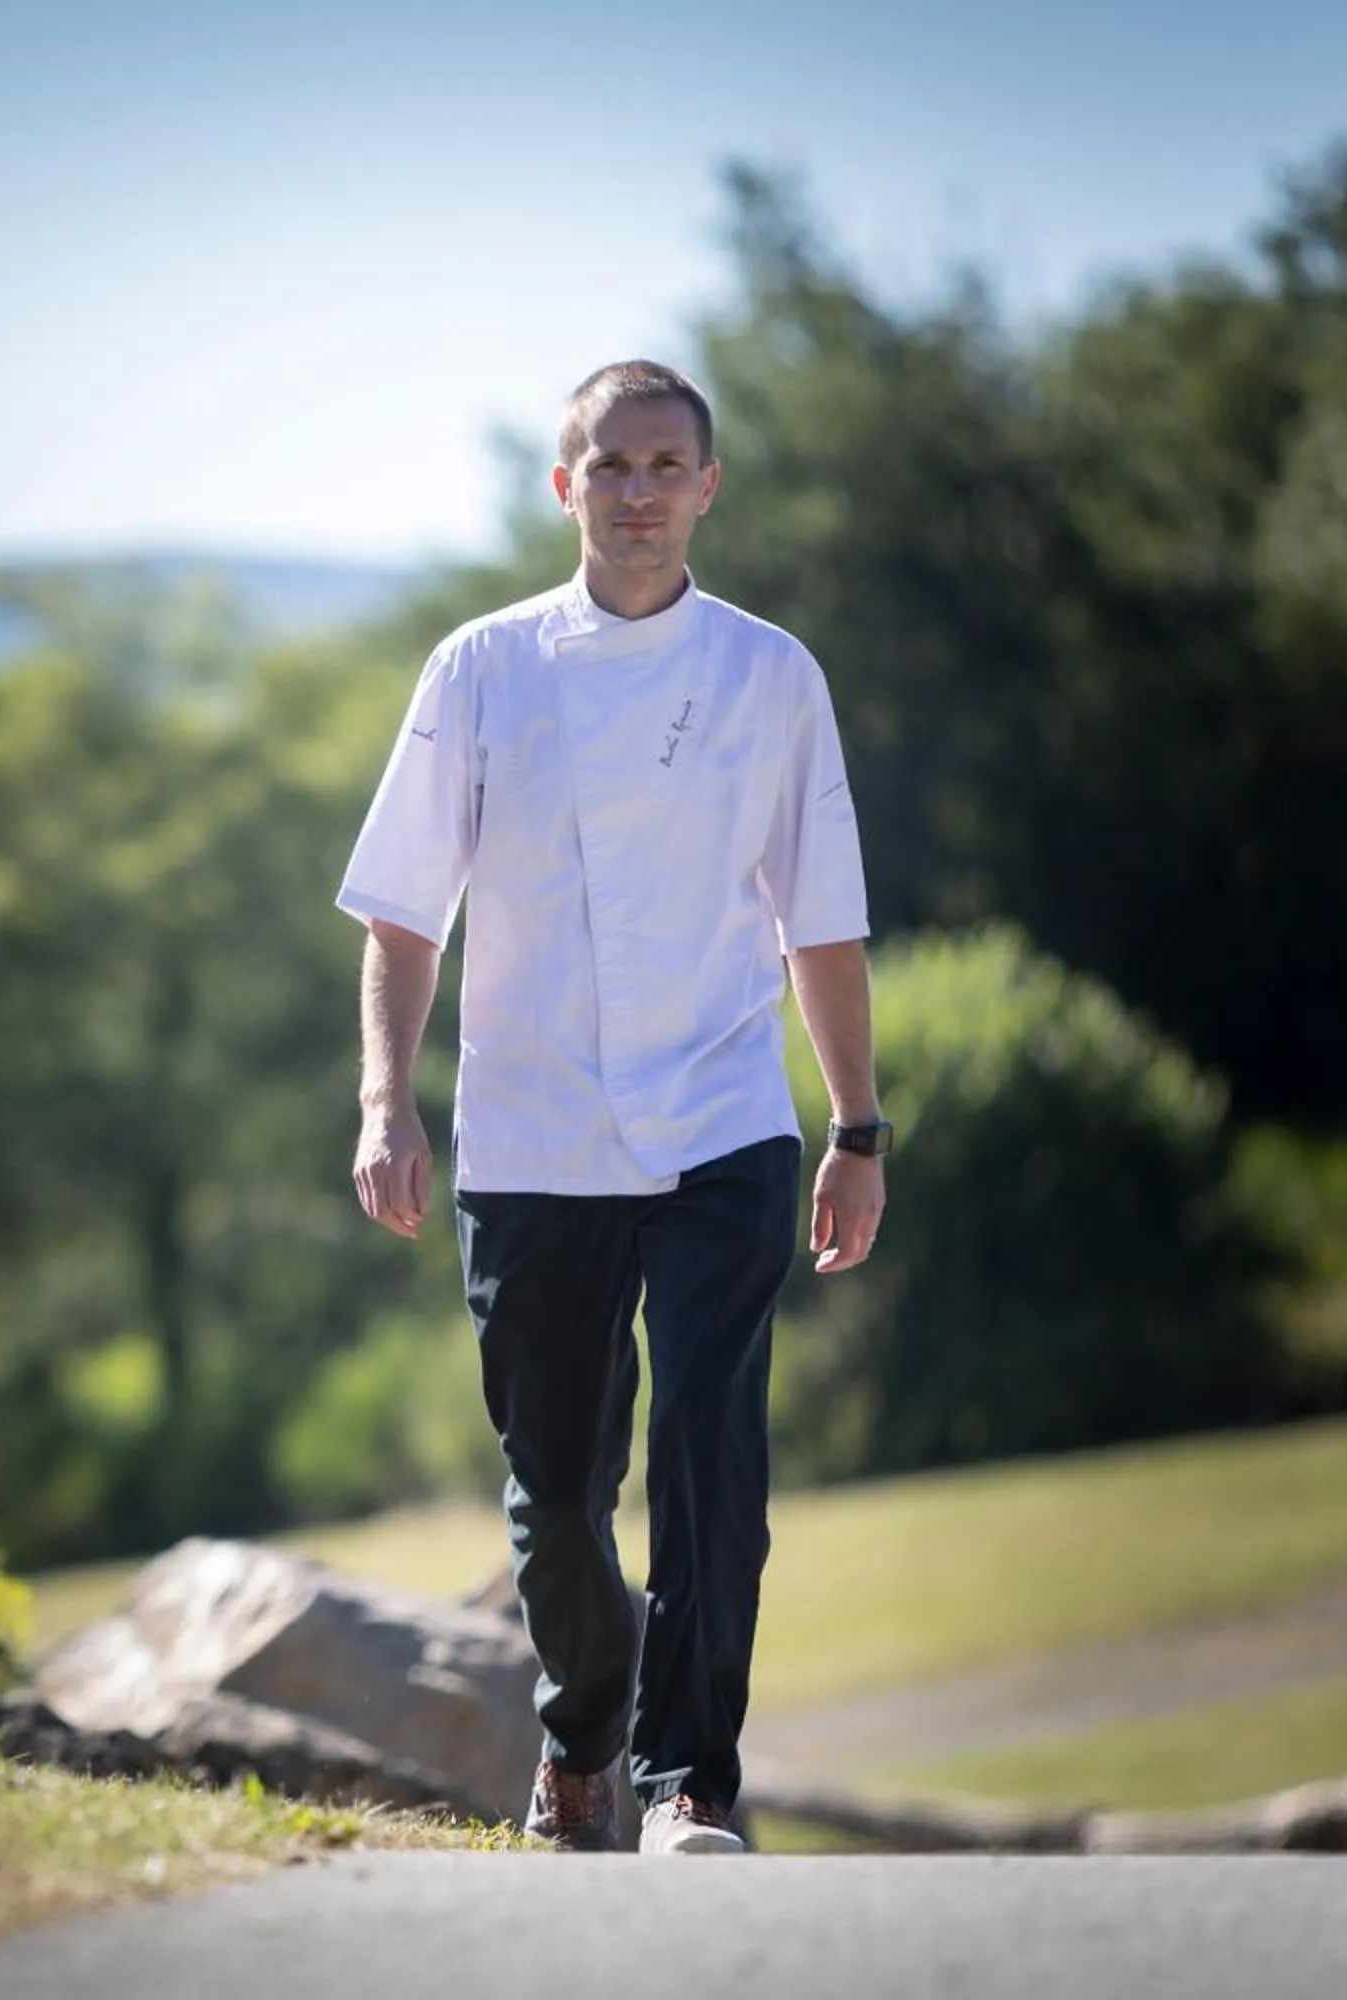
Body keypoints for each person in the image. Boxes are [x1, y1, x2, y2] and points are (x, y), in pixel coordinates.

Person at [336, 360, 888, 1856]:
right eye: (610, 465)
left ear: (708, 486)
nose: (637, 491)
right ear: (563, 485)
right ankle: (582, 1737)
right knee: (562, 1490)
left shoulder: (773, 675)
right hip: (533, 1137)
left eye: (664, 465)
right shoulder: (481, 670)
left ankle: (690, 1782)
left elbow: (823, 917)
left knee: (714, 1453)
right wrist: (387, 1101)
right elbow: (404, 915)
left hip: (723, 1121)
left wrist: (856, 1128)